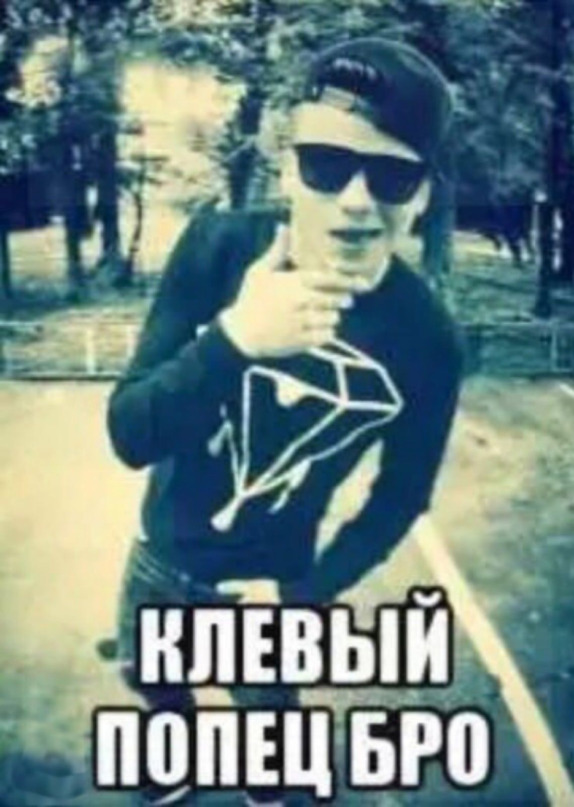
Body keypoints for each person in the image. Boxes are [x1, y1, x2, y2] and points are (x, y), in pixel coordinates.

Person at [107, 36, 463, 806]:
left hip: (272, 587)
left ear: (423, 195)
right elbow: (131, 432)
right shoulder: (219, 247)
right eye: (327, 164)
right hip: (162, 552)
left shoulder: (429, 340)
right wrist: (237, 339)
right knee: (151, 678)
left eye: (393, 174)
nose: (357, 200)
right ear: (288, 166)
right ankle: (173, 755)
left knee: (267, 715)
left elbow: (401, 496)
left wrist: (304, 595)